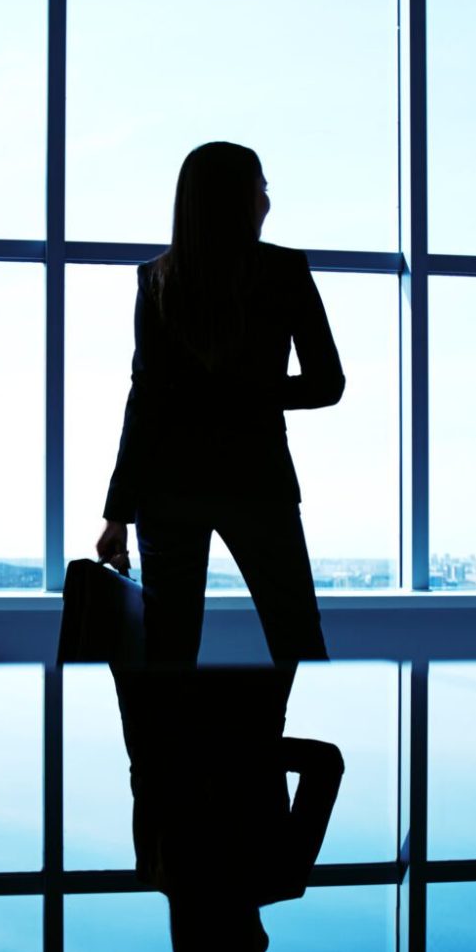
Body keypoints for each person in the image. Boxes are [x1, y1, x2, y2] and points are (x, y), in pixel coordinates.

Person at [94, 141, 344, 666]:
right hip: (257, 478)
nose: (268, 202)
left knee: (167, 652)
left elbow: (144, 403)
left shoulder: (158, 280)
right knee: (297, 637)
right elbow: (327, 384)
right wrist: (251, 394)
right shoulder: (285, 272)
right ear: (240, 198)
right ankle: (299, 748)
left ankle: (165, 751)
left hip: (168, 487)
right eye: (263, 188)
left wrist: (117, 513)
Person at [115, 665, 344, 952]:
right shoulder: (155, 871)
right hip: (157, 693)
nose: (266, 944)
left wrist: (249, 751)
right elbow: (146, 768)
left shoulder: (282, 877)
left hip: (250, 695)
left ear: (238, 946)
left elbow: (326, 764)